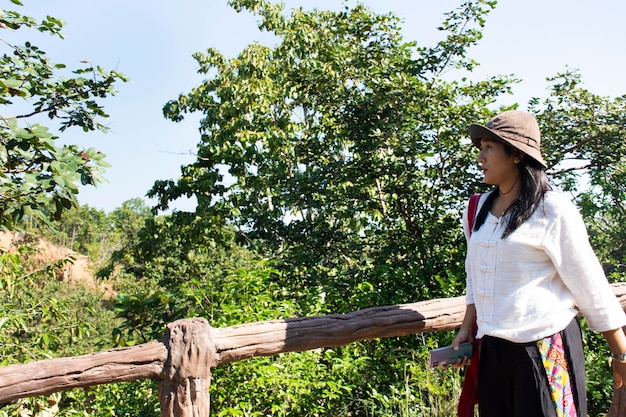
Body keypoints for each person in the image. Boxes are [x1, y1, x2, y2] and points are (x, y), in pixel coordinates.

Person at [451, 109, 626, 417]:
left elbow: (589, 284)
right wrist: (468, 326)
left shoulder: (552, 210)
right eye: (480, 149)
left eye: (489, 147)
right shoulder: (477, 209)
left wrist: (621, 351)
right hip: (492, 350)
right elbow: (474, 272)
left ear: (516, 154)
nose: (481, 157)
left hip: (545, 348)